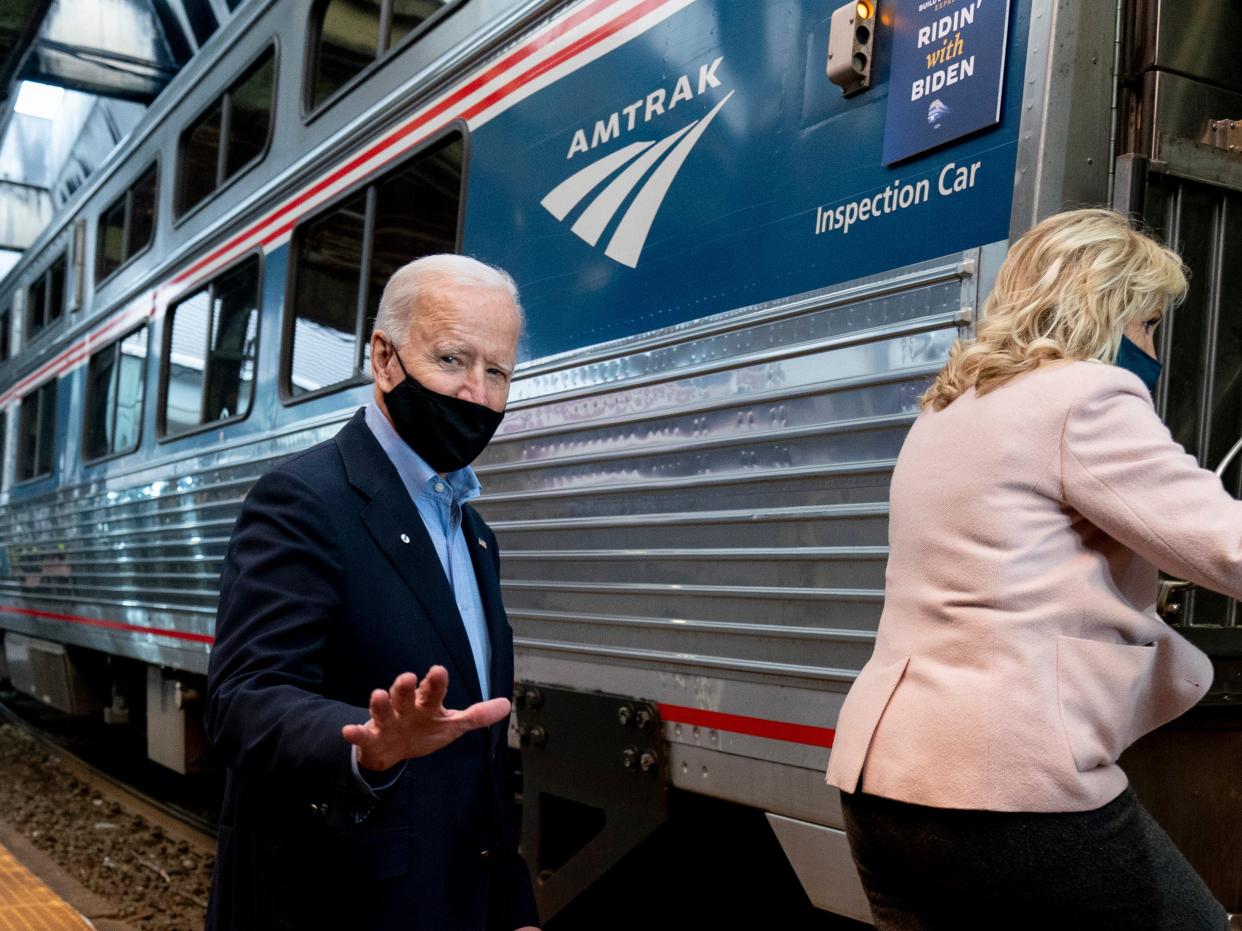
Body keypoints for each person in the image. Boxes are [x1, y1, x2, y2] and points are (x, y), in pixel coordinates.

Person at [825, 208, 1241, 930]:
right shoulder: (1086, 396)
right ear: (1103, 309)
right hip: (1005, 791)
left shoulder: (945, 412)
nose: (1151, 349)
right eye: (1145, 325)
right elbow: (1224, 543)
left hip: (882, 783)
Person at [204, 254, 540, 931]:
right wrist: (365, 745)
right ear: (385, 359)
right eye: (452, 359)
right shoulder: (301, 500)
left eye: (496, 370)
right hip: (334, 908)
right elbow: (243, 699)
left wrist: (514, 905)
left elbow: (480, 753)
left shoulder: (474, 535)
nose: (476, 392)